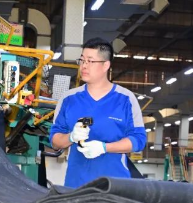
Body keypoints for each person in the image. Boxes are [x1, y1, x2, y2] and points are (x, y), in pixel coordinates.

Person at [50, 38, 147, 188]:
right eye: (82, 60)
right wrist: (71, 137)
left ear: (105, 65)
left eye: (90, 61)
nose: (84, 66)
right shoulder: (68, 99)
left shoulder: (126, 99)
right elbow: (55, 141)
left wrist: (104, 148)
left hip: (115, 187)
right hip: (76, 186)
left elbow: (138, 140)